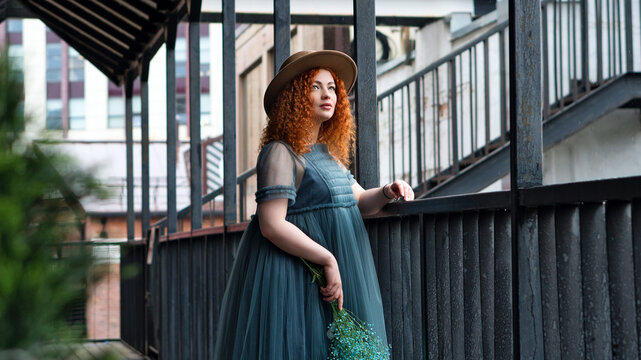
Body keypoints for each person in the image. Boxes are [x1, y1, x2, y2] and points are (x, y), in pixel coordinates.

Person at [213, 50, 414, 359]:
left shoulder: (328, 155)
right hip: (295, 277)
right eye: (315, 86)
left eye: (332, 87)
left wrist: (388, 191)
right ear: (294, 96)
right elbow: (271, 224)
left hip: (328, 273)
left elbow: (358, 201)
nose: (327, 94)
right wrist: (328, 260)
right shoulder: (280, 152)